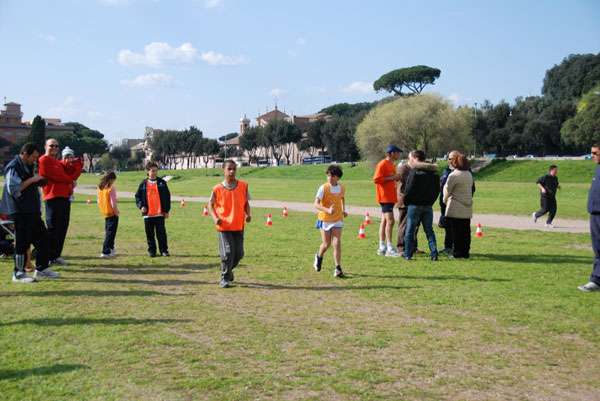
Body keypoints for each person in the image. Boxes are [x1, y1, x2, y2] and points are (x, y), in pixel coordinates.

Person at [0, 142, 59, 282]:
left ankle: (42, 269)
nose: (35, 160)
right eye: (33, 157)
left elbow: (29, 183)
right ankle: (19, 273)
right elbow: (13, 189)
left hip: (32, 211)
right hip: (20, 211)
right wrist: (33, 179)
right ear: (25, 154)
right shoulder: (13, 167)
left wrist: (38, 181)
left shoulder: (29, 166)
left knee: (44, 240)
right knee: (22, 243)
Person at [208, 160, 251, 288]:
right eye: (229, 169)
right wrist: (215, 218)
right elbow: (210, 204)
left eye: (234, 169)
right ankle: (224, 277)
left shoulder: (243, 186)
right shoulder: (217, 188)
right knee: (227, 253)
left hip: (238, 224)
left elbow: (246, 203)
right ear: (223, 170)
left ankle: (229, 269)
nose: (232, 171)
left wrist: (247, 214)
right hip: (224, 225)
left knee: (239, 253)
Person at [39, 138, 78, 266]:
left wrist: (70, 181)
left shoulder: (57, 161)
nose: (54, 148)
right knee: (53, 228)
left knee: (62, 227)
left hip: (64, 197)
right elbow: (55, 175)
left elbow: (65, 174)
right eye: (52, 146)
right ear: (45, 147)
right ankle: (48, 256)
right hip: (53, 197)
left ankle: (56, 255)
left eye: (56, 146)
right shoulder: (43, 160)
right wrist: (70, 180)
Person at [402, 150, 439, 261]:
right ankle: (434, 253)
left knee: (410, 230)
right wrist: (431, 201)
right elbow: (437, 190)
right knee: (429, 230)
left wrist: (406, 200)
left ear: (416, 158)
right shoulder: (434, 172)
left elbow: (409, 188)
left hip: (414, 204)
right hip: (428, 205)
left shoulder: (415, 171)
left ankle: (408, 254)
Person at [313, 164, 347, 278]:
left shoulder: (342, 188)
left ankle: (338, 268)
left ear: (338, 177)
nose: (329, 178)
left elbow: (342, 197)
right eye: (328, 175)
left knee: (336, 243)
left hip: (337, 219)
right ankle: (319, 257)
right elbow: (316, 204)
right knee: (326, 244)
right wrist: (327, 210)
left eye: (332, 176)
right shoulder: (323, 188)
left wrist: (343, 210)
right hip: (325, 219)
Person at [135, 162, 171, 257]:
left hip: (159, 214)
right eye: (152, 171)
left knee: (161, 234)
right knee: (150, 234)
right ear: (147, 171)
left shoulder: (162, 183)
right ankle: (152, 251)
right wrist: (141, 206)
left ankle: (164, 250)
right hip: (148, 215)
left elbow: (167, 197)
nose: (154, 173)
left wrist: (166, 211)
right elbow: (137, 197)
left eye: (156, 170)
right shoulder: (143, 184)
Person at [373, 145, 403, 257]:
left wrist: (395, 178)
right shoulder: (382, 164)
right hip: (384, 196)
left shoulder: (391, 165)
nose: (399, 155)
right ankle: (390, 248)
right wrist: (392, 178)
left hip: (390, 196)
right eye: (397, 153)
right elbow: (376, 179)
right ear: (391, 154)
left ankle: (382, 247)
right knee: (390, 221)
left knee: (384, 221)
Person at [443, 153, 474, 259]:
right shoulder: (469, 175)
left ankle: (457, 253)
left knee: (456, 232)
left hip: (455, 206)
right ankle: (465, 253)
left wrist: (445, 200)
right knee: (465, 232)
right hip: (467, 207)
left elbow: (447, 190)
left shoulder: (454, 175)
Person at [578, 143, 600, 292]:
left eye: (595, 153)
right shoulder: (598, 169)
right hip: (595, 214)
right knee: (598, 249)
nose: (591, 155)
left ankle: (596, 280)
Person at [396, 158, 421, 255]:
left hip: (415, 200)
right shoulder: (403, 168)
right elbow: (407, 183)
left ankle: (413, 246)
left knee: (415, 225)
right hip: (404, 200)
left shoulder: (417, 169)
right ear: (411, 159)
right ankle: (401, 246)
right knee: (404, 224)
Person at [97, 171, 119, 258]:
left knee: (108, 231)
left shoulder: (100, 188)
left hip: (104, 212)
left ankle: (111, 248)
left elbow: (98, 201)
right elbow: (113, 202)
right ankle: (105, 251)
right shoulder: (111, 189)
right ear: (111, 179)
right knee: (110, 233)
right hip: (111, 213)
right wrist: (116, 212)